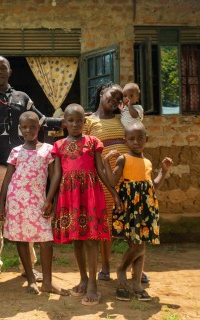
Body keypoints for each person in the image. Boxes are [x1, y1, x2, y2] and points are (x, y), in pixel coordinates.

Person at [0, 55, 63, 280]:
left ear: (9, 72)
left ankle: (27, 267)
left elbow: (40, 120)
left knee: (28, 217)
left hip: (26, 170)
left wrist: (64, 122)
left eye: (3, 68)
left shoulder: (22, 97)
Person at [47, 104, 122, 306]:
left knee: (91, 239)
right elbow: (56, 176)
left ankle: (93, 286)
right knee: (77, 239)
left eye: (79, 120)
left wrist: (113, 192)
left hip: (90, 195)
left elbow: (100, 170)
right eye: (70, 120)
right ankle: (83, 278)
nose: (75, 124)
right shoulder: (59, 145)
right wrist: (49, 200)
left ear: (84, 122)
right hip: (69, 197)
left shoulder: (93, 142)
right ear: (64, 123)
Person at [84, 82, 151, 284]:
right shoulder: (89, 121)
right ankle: (105, 266)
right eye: (111, 96)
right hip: (104, 177)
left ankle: (136, 268)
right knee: (107, 221)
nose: (114, 101)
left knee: (133, 219)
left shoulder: (124, 118)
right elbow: (87, 151)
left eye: (118, 99)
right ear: (102, 92)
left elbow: (137, 137)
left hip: (130, 175)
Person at [0, 111, 68, 296]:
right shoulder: (16, 152)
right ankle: (30, 280)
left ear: (39, 128)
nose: (29, 130)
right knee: (21, 239)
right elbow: (7, 179)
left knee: (46, 240)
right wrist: (0, 203)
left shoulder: (47, 149)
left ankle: (47, 282)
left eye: (33, 126)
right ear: (20, 129)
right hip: (16, 201)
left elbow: (54, 177)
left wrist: (50, 199)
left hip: (39, 201)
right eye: (25, 127)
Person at [103, 122, 173, 301]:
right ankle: (121, 271)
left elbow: (153, 186)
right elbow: (111, 181)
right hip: (130, 209)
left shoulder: (148, 162)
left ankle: (136, 284)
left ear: (146, 140)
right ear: (126, 141)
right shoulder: (123, 159)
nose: (136, 142)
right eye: (132, 139)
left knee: (141, 245)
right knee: (138, 246)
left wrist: (163, 171)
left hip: (146, 208)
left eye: (140, 138)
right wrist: (105, 161)